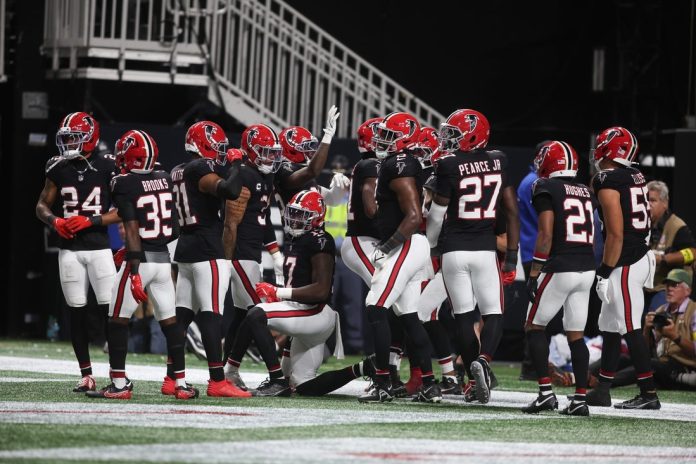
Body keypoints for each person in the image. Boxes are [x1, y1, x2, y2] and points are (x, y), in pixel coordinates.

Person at [87, 129, 196, 400]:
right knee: (170, 323)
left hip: (140, 260)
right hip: (162, 260)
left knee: (117, 319)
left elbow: (132, 228)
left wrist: (134, 268)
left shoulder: (123, 182)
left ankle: (119, 384)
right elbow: (173, 228)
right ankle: (181, 384)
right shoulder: (164, 177)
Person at [426, 108, 520, 405]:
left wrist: (432, 246)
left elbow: (437, 215)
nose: (448, 139)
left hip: (454, 250)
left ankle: (470, 377)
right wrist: (513, 256)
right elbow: (511, 210)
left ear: (472, 135)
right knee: (493, 313)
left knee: (463, 318)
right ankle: (483, 360)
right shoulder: (499, 160)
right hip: (485, 249)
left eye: (454, 134)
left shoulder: (448, 164)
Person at [225, 190, 344, 396]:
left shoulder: (320, 240)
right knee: (302, 384)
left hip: (314, 311)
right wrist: (278, 294)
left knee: (256, 314)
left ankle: (273, 379)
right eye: (293, 213)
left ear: (316, 217)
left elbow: (321, 290)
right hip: (300, 309)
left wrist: (278, 292)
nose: (295, 219)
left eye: (301, 215)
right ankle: (364, 368)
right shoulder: (298, 238)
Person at [35, 112, 120, 393]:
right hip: (69, 250)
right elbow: (41, 205)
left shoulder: (108, 165)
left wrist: (91, 220)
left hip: (99, 248)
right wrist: (55, 221)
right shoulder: (57, 166)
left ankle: (117, 374)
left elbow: (124, 210)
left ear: (90, 138)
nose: (69, 143)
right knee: (76, 312)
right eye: (67, 138)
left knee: (111, 312)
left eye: (74, 137)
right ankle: (86, 375)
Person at [360, 111, 442, 404]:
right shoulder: (399, 162)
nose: (382, 139)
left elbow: (413, 215)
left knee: (375, 307)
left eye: (389, 135)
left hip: (404, 244)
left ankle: (382, 383)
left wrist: (386, 247)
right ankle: (430, 385)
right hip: (410, 244)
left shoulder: (399, 164)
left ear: (405, 139)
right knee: (409, 317)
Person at [168, 121, 249, 398]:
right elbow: (229, 190)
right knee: (211, 315)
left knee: (182, 316)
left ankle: (171, 377)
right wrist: (237, 165)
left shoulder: (178, 170)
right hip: (207, 248)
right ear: (204, 144)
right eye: (217, 146)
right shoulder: (199, 168)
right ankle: (217, 380)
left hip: (186, 247)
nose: (221, 151)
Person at [521, 141, 596, 416]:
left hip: (560, 266)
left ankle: (545, 394)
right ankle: (580, 399)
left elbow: (546, 233)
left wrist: (534, 271)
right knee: (576, 335)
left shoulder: (545, 186)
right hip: (586, 267)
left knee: (534, 326)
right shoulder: (585, 191)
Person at [588, 126, 660, 409]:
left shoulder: (607, 179)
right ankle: (603, 389)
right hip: (636, 254)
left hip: (625, 260)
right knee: (609, 326)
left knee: (630, 327)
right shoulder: (634, 175)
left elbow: (616, 234)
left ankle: (649, 394)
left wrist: (605, 270)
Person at [221, 123, 283, 388]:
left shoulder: (264, 176)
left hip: (251, 254)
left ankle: (227, 372)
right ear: (250, 151)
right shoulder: (244, 175)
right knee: (258, 312)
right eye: (265, 152)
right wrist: (227, 260)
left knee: (241, 316)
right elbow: (230, 223)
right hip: (240, 254)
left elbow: (262, 217)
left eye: (273, 153)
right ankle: (276, 376)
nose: (270, 158)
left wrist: (275, 253)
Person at [645, 180, 696, 311]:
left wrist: (664, 259)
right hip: (647, 287)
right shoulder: (645, 225)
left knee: (656, 316)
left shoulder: (676, 225)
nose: (648, 204)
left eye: (653, 200)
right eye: (646, 200)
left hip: (667, 288)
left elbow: (693, 252)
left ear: (665, 203)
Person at [643, 269, 696, 388]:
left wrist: (675, 336)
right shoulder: (660, 311)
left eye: (675, 285)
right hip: (662, 364)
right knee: (626, 359)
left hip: (684, 366)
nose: (669, 289)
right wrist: (646, 329)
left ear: (688, 291)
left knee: (647, 365)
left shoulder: (694, 311)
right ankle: (598, 375)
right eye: (667, 285)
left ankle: (605, 382)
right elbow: (644, 352)